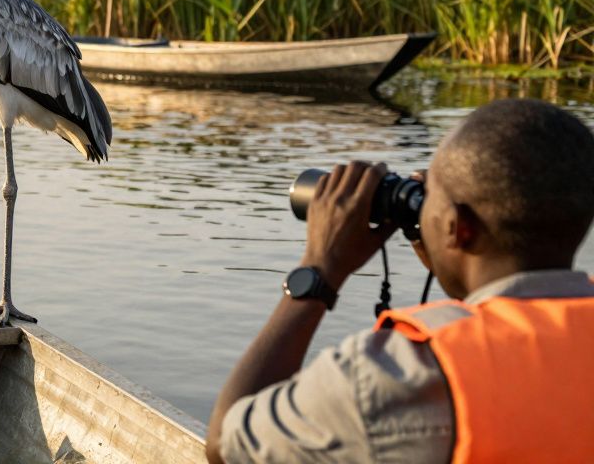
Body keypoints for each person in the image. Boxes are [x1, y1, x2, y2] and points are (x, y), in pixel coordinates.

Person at [206, 98, 594, 464]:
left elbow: (227, 443)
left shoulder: (399, 377)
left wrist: (320, 268)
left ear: (458, 228)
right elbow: (509, 321)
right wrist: (446, 244)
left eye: (431, 197)